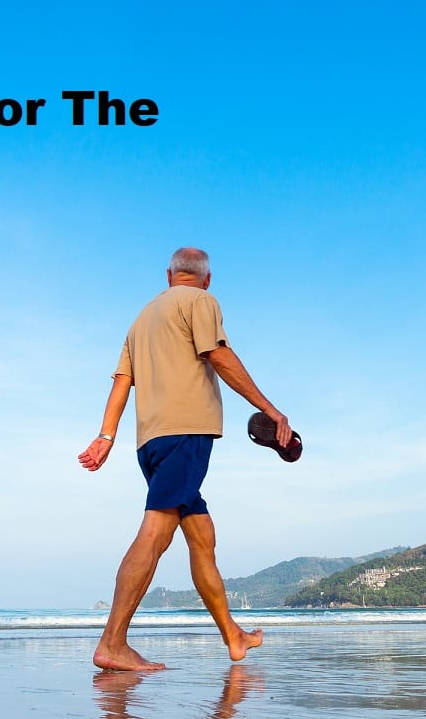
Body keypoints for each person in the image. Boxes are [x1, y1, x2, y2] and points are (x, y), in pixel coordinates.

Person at [79, 247, 293, 671]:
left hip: (150, 442)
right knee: (156, 532)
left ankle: (232, 636)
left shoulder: (141, 320)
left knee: (201, 536)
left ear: (169, 274)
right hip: (186, 434)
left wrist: (106, 435)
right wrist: (271, 410)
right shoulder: (202, 302)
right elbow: (219, 355)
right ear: (207, 279)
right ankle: (112, 643)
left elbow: (123, 383)